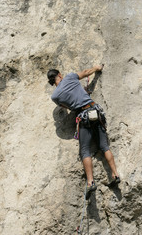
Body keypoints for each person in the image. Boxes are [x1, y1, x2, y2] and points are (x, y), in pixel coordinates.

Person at [47, 65, 120, 199]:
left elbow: (67, 106)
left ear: (52, 83)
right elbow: (86, 73)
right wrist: (97, 68)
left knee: (85, 150)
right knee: (104, 146)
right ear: (60, 75)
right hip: (95, 111)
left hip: (83, 117)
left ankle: (90, 182)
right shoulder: (69, 77)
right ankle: (115, 174)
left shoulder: (55, 96)